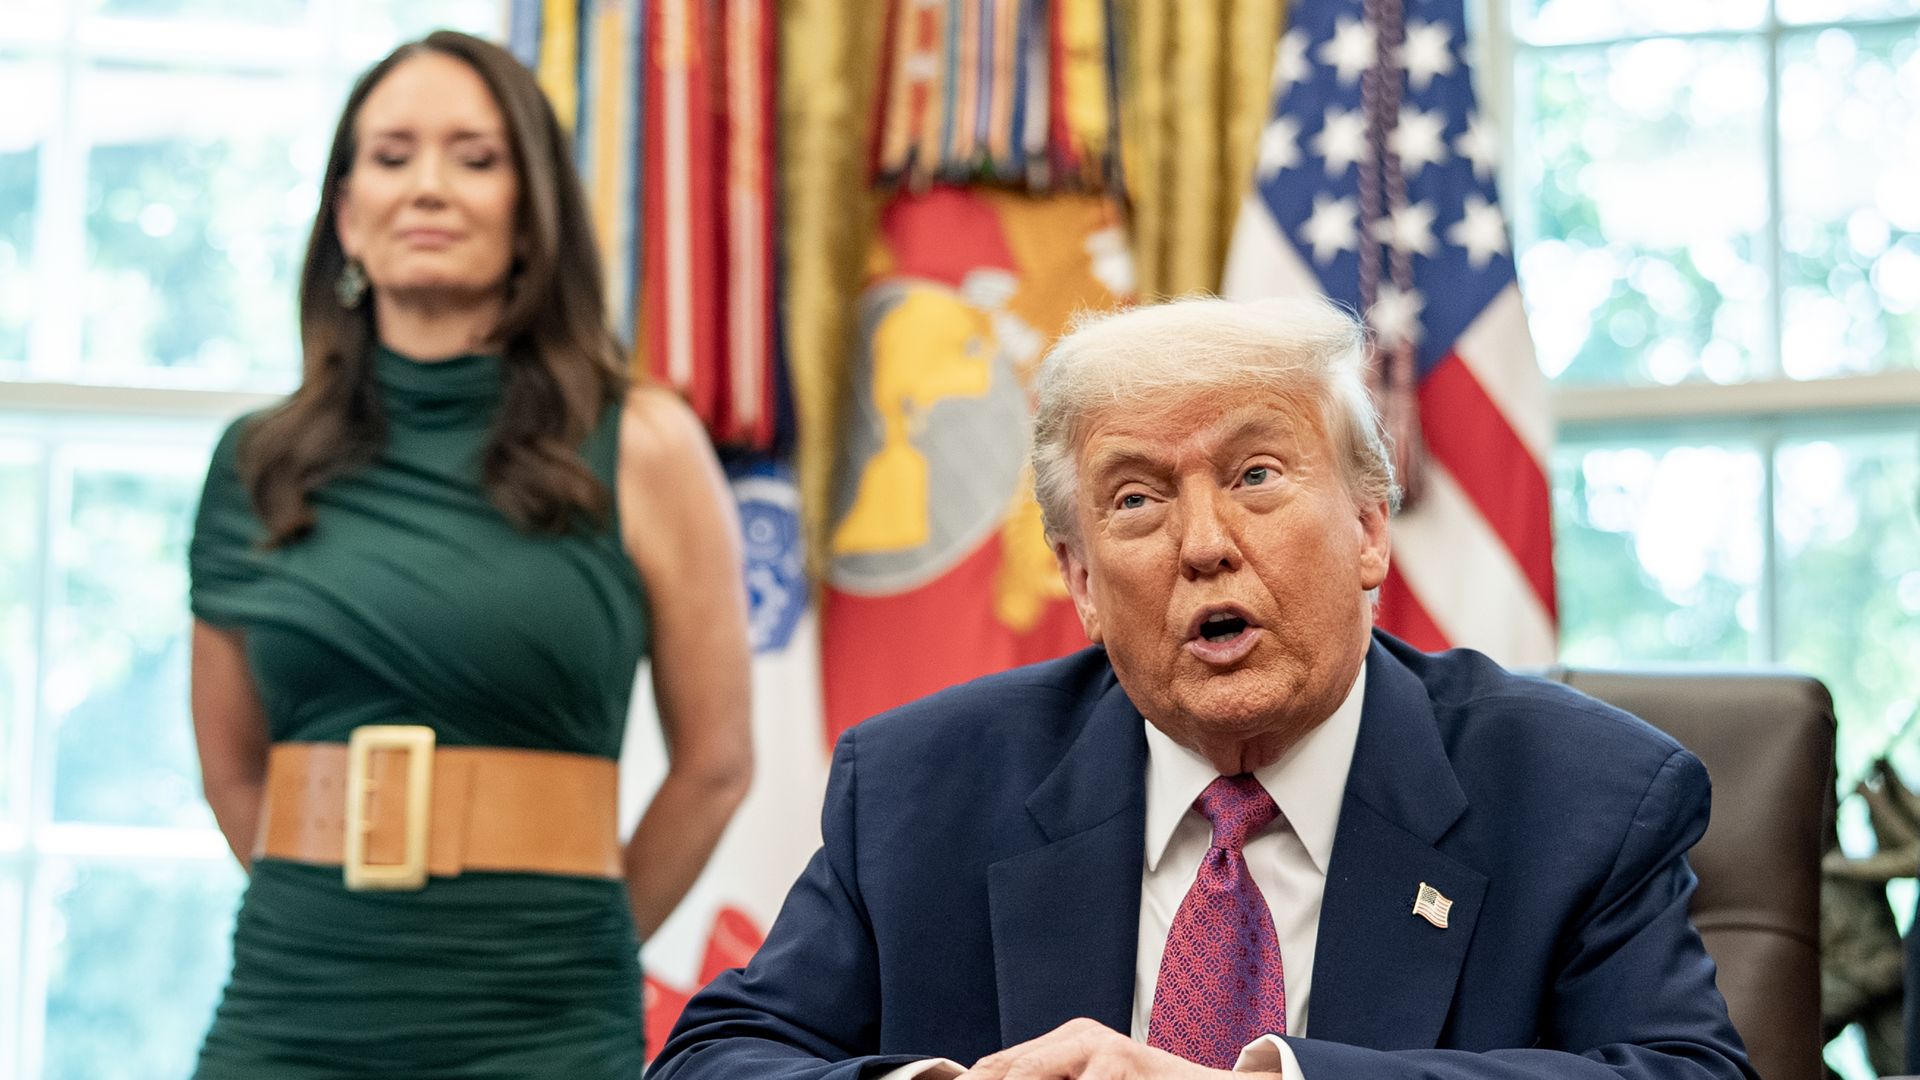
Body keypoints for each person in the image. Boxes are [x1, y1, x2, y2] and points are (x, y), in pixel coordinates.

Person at [648, 296, 1756, 1080]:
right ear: (1080, 580)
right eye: (1135, 501)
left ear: (1371, 527)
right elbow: (712, 1060)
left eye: (1256, 476)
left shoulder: (1584, 796)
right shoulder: (915, 789)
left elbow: (1685, 1074)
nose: (1204, 544)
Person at [187, 30, 752, 1078]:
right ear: (347, 214)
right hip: (289, 1005)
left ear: (531, 213)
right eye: (392, 156)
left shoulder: (646, 443)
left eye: (475, 158)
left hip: (542, 1014)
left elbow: (716, 766)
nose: (429, 187)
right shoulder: (254, 462)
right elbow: (229, 769)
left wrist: (578, 948)